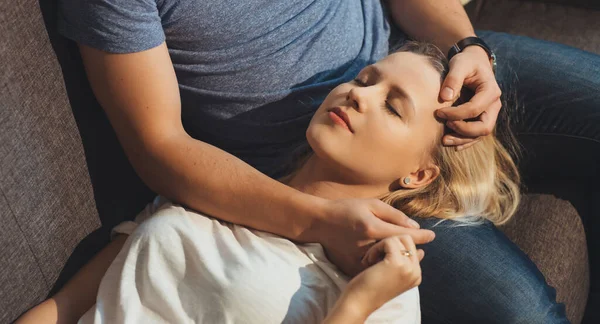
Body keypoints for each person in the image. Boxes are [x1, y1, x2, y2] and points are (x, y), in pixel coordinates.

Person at [22, 0, 600, 322]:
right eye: (359, 86)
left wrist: (465, 47)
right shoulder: (175, 229)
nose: (354, 90)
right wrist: (318, 220)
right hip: (330, 171)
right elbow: (158, 146)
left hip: (416, 65)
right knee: (518, 312)